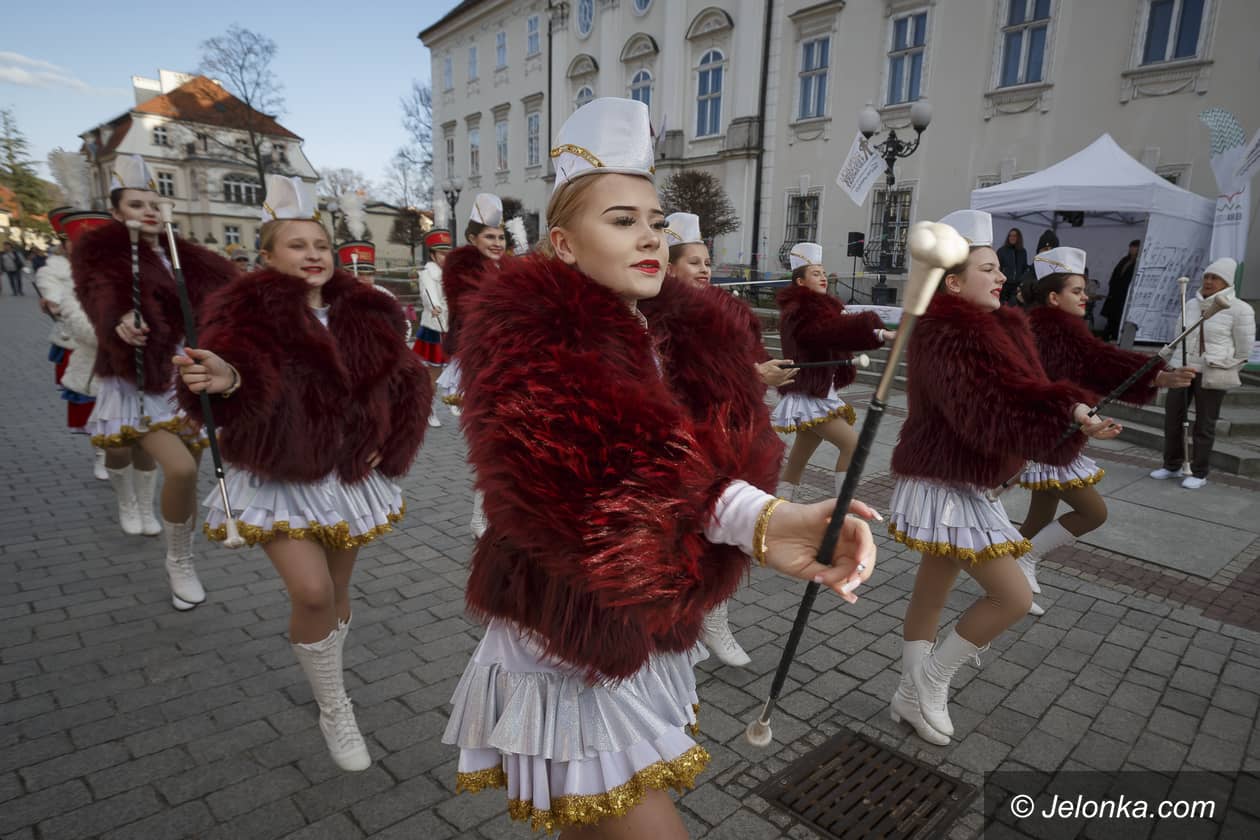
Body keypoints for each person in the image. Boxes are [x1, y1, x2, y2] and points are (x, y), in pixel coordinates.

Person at [441, 97, 877, 838]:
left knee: (591, 826)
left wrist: (755, 511)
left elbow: (711, 452)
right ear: (564, 244)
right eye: (621, 220)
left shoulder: (678, 331)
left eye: (653, 219)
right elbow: (618, 472)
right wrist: (761, 519)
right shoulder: (527, 337)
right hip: (570, 623)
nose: (649, 234)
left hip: (641, 620)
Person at [173, 175, 432, 772]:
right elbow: (238, 368)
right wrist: (226, 380)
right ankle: (334, 704)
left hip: (345, 478)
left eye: (321, 244)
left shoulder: (369, 310)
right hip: (280, 474)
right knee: (312, 592)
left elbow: (406, 382)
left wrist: (387, 440)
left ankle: (326, 671)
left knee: (337, 596)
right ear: (266, 256)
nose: (313, 254)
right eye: (296, 245)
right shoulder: (246, 313)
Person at [886, 209, 1122, 746]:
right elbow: (985, 407)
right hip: (947, 479)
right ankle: (932, 680)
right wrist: (1064, 416)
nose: (1002, 277)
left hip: (961, 478)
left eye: (999, 268)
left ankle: (909, 696)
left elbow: (1023, 388)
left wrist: (1073, 413)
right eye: (988, 268)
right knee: (1012, 597)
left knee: (932, 592)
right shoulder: (946, 334)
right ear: (952, 281)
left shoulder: (988, 330)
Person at [72, 154, 233, 610]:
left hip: (183, 375)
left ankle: (167, 536)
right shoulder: (103, 252)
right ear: (116, 212)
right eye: (136, 203)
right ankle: (179, 561)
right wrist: (122, 319)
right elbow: (100, 291)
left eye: (154, 203)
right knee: (179, 468)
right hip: (137, 379)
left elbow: (231, 292)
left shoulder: (185, 252)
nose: (148, 210)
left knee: (183, 470)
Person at [1019, 247, 1194, 612]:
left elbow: (1094, 363)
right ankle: (1020, 563)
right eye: (1077, 291)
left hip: (1055, 430)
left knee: (1039, 516)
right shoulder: (1054, 330)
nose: (1086, 297)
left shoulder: (1053, 328)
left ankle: (1006, 573)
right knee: (1093, 513)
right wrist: (1155, 374)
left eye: (1086, 290)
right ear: (1054, 297)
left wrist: (1154, 375)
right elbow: (1100, 359)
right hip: (1053, 435)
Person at [659, 211, 797, 668]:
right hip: (689, 442)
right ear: (669, 266)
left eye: (706, 260)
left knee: (724, 541)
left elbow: (750, 362)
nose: (703, 269)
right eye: (693, 261)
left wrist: (765, 371)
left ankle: (712, 619)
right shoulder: (661, 315)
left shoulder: (730, 311)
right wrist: (750, 374)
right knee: (686, 543)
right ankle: (691, 625)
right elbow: (685, 381)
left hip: (736, 438)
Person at [772, 242, 889, 503]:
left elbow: (833, 330)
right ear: (800, 281)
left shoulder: (816, 310)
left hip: (818, 389)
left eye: (824, 272)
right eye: (815, 273)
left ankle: (782, 508)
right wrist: (877, 332)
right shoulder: (801, 312)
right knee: (853, 446)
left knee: (798, 462)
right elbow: (829, 332)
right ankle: (841, 513)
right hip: (811, 395)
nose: (823, 277)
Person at [1151, 257, 1257, 488]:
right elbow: (1177, 336)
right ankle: (1172, 465)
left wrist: (1226, 367)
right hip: (1182, 368)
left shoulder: (1240, 309)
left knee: (1204, 424)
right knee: (1173, 419)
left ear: (1227, 283)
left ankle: (1199, 472)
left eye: (1215, 278)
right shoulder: (1189, 304)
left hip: (1212, 372)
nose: (1209, 281)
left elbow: (1244, 349)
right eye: (1207, 277)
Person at [440, 193, 506, 539]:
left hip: (506, 365)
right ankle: (481, 515)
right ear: (472, 239)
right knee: (488, 442)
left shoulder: (505, 267)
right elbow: (473, 310)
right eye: (489, 237)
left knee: (502, 442)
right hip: (479, 364)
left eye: (500, 237)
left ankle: (493, 511)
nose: (497, 243)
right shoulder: (461, 269)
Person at [35, 210, 117, 480]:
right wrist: (55, 303)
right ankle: (101, 454)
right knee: (92, 402)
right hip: (82, 342)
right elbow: (54, 294)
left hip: (120, 350)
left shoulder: (119, 269)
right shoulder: (56, 270)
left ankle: (119, 453)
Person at [414, 228, 452, 428]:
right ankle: (428, 408)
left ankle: (453, 398)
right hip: (435, 327)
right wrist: (434, 306)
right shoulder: (428, 273)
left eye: (447, 253)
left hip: (450, 326)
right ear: (433, 255)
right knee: (434, 372)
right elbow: (429, 292)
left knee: (453, 367)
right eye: (441, 253)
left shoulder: (451, 272)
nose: (445, 257)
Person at [1101, 239, 1141, 342]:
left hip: (1125, 295)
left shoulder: (1139, 262)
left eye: (1134, 248)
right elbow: (1115, 274)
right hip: (1115, 293)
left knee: (1119, 318)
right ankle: (1106, 336)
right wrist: (1112, 286)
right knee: (1111, 317)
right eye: (1131, 248)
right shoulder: (1124, 260)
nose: (1132, 250)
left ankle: (1114, 337)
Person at [997, 227, 1027, 304]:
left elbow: (1024, 268)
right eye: (1010, 236)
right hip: (1004, 285)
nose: (1012, 237)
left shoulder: (1023, 252)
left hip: (1016, 286)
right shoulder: (1001, 251)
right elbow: (997, 268)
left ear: (1018, 238)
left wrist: (1021, 282)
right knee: (1001, 307)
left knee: (1013, 308)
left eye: (1014, 236)